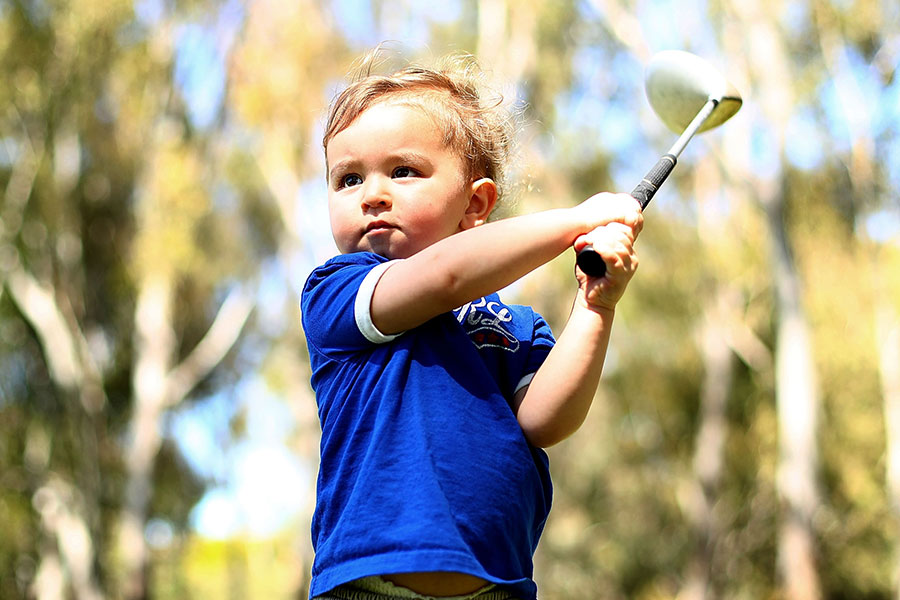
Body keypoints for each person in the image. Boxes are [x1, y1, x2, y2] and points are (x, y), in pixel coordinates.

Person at [300, 50, 643, 600]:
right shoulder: (338, 291)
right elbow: (445, 275)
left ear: (475, 203)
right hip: (368, 581)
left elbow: (544, 421)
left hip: (497, 584)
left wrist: (596, 305)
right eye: (347, 179)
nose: (372, 194)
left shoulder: (512, 325)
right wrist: (577, 221)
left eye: (403, 171)